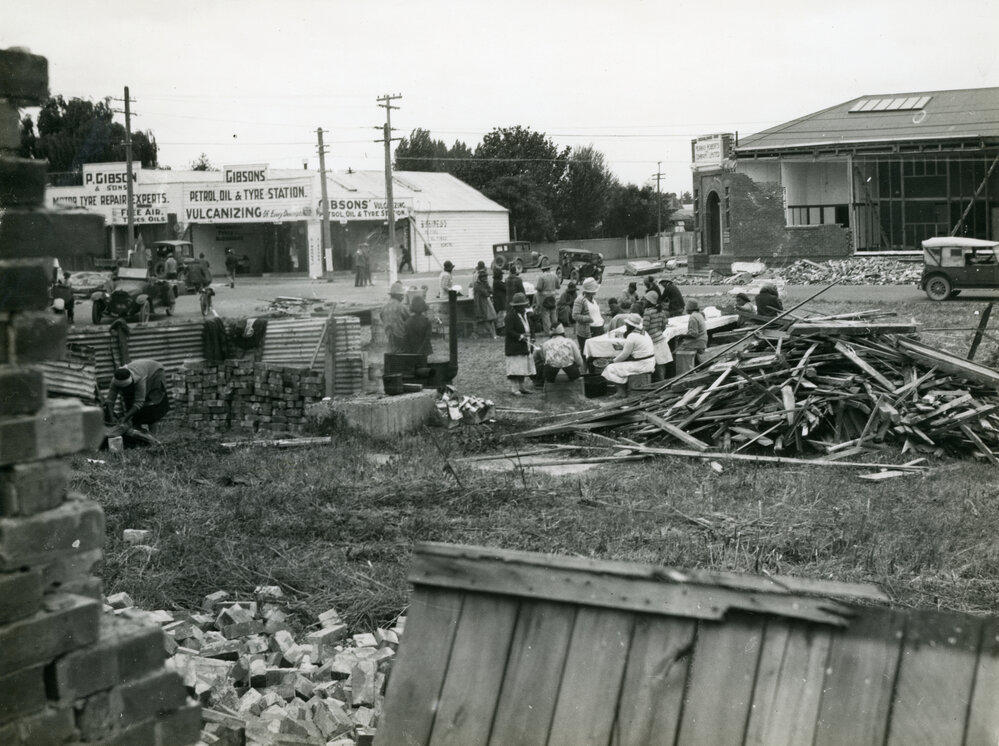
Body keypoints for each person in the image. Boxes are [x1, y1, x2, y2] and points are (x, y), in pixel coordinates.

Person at [104, 359, 170, 431]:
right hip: (143, 371)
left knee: (151, 404)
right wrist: (111, 418)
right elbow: (110, 401)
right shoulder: (115, 380)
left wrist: (125, 417)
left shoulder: (139, 378)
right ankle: (137, 429)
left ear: (132, 381)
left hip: (155, 373)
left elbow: (139, 402)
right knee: (129, 400)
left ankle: (153, 434)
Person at [601, 314, 655, 396]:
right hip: (649, 362)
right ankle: (623, 390)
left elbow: (624, 355)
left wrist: (612, 361)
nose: (626, 327)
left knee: (610, 368)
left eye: (627, 325)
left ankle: (621, 392)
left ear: (630, 326)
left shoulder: (632, 336)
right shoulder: (643, 332)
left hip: (642, 365)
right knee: (620, 365)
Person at [504, 292, 536, 396]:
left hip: (526, 344)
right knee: (515, 367)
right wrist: (520, 336)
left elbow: (531, 327)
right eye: (521, 306)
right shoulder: (510, 317)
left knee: (523, 366)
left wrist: (533, 337)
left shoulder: (526, 315)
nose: (524, 308)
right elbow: (509, 331)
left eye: (524, 306)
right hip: (515, 346)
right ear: (516, 307)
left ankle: (522, 387)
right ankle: (514, 388)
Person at [641, 291, 674, 382]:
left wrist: (640, 335)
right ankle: (663, 380)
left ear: (649, 301)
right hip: (661, 338)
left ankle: (661, 381)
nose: (644, 302)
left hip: (653, 340)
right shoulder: (661, 311)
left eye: (645, 300)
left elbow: (645, 327)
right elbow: (664, 325)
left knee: (658, 362)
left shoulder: (647, 312)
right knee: (662, 362)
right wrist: (658, 331)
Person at [572, 277, 604, 362]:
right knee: (588, 355)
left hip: (598, 329)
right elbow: (575, 315)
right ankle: (587, 371)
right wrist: (588, 319)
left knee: (598, 354)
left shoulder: (592, 299)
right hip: (588, 331)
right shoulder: (580, 300)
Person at [380, 281, 410, 353]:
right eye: (401, 295)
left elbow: (381, 317)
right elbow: (410, 320)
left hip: (389, 337)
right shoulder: (401, 307)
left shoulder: (384, 307)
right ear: (396, 295)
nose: (403, 297)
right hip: (401, 338)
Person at [676, 299, 708, 363]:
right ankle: (697, 363)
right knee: (684, 343)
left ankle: (684, 369)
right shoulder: (699, 314)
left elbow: (694, 334)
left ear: (689, 308)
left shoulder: (693, 317)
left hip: (698, 342)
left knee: (677, 351)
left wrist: (682, 336)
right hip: (703, 340)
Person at [533, 262, 559, 335]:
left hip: (544, 298)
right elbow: (558, 286)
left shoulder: (541, 277)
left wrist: (535, 287)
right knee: (553, 313)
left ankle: (548, 331)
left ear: (542, 269)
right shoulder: (555, 276)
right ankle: (556, 330)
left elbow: (539, 288)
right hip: (553, 297)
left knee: (545, 314)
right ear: (549, 268)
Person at [472, 269, 497, 339]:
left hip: (486, 302)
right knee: (485, 318)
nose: (485, 278)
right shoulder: (477, 284)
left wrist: (489, 290)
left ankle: (494, 334)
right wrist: (489, 292)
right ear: (480, 277)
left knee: (491, 318)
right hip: (480, 303)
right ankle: (492, 335)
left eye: (485, 277)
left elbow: (490, 290)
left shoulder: (485, 283)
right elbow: (485, 293)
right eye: (483, 277)